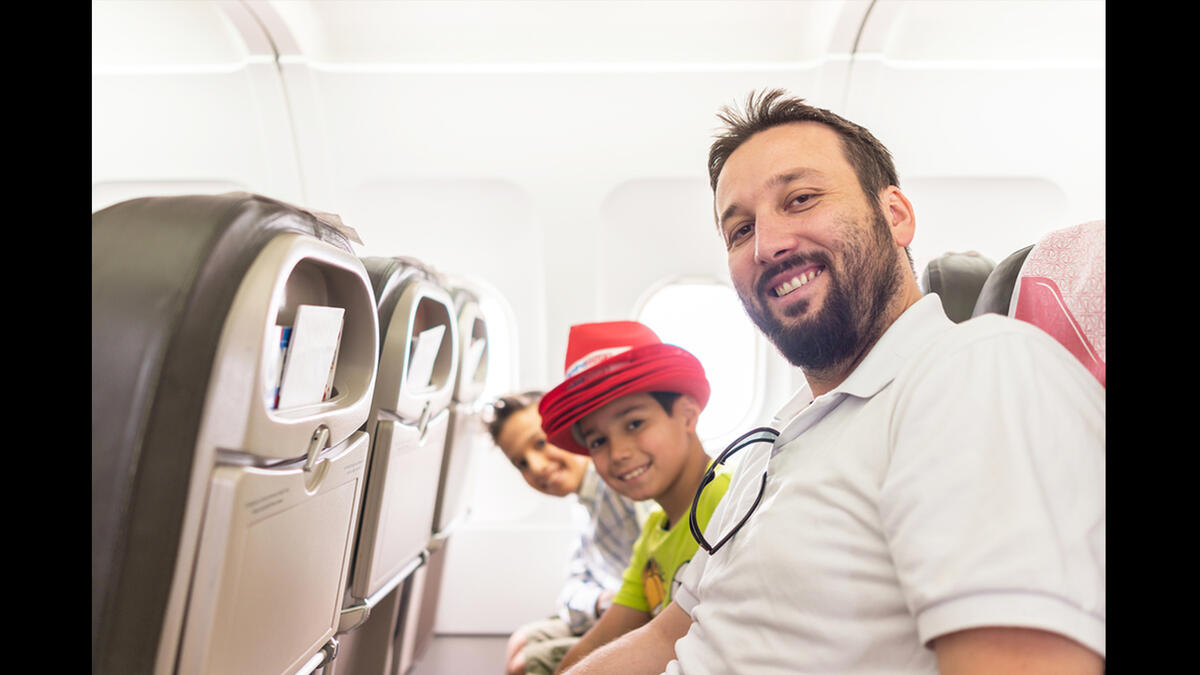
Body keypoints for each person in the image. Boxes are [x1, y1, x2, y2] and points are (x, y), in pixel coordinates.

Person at [561, 89, 1105, 674]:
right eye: (740, 231)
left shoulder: (977, 373)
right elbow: (672, 633)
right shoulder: (771, 442)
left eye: (800, 199)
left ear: (895, 215)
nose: (767, 245)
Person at [537, 321, 732, 674]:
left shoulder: (727, 502)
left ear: (687, 415)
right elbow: (602, 639)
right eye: (597, 441)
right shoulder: (655, 532)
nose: (618, 453)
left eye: (634, 424)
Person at [486, 390, 650, 675]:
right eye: (521, 463)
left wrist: (607, 604)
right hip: (606, 609)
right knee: (521, 641)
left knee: (524, 665)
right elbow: (571, 590)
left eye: (540, 443)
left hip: (638, 615)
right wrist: (599, 603)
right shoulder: (583, 505)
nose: (536, 467)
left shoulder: (620, 485)